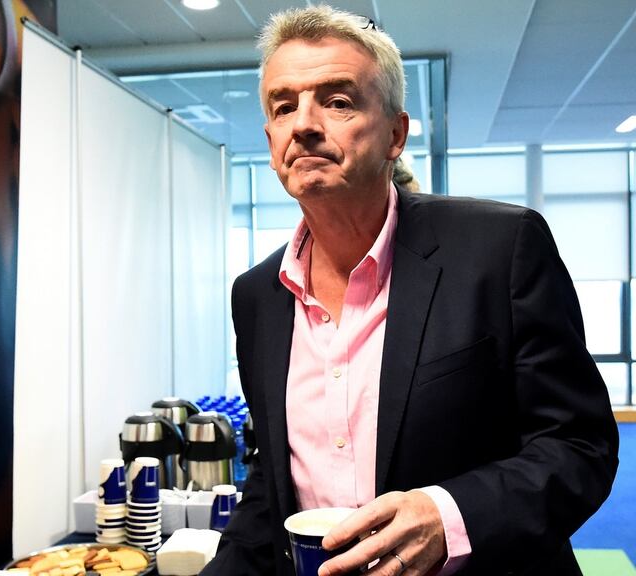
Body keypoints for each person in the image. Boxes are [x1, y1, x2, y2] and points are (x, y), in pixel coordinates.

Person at [202, 6, 618, 576]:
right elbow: (275, 482)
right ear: (271, 137)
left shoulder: (499, 248)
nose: (303, 122)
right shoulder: (256, 297)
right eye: (283, 105)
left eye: (338, 100)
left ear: (395, 134)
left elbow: (578, 446)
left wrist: (448, 515)